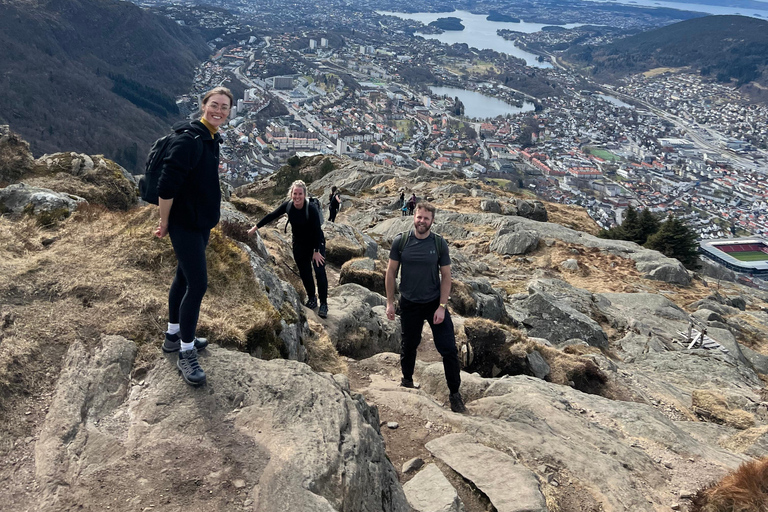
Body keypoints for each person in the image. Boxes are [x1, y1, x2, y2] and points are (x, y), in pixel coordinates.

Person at [155, 86, 233, 387]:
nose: (219, 110)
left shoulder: (211, 138)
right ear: (204, 105)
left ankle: (174, 335)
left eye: (225, 107)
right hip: (184, 224)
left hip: (200, 223)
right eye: (215, 105)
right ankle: (186, 353)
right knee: (198, 283)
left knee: (184, 279)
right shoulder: (189, 140)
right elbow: (166, 186)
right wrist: (164, 222)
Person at [385, 202, 466, 413]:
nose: (422, 221)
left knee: (448, 349)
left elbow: (447, 276)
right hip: (409, 303)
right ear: (414, 216)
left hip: (433, 303)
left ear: (432, 221)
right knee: (409, 345)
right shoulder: (401, 241)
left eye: (426, 218)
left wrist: (442, 306)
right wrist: (390, 302)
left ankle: (455, 395)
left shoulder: (439, 244)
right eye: (419, 217)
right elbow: (391, 272)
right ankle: (407, 381)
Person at [248, 180, 329, 318]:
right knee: (305, 272)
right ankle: (311, 298)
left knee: (320, 272)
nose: (297, 197)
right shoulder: (289, 206)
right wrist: (255, 228)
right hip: (299, 243)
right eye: (295, 193)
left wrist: (316, 251)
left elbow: (316, 230)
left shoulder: (312, 209)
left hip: (316, 242)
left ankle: (324, 304)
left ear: (305, 194)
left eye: (300, 194)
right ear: (291, 194)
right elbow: (272, 215)